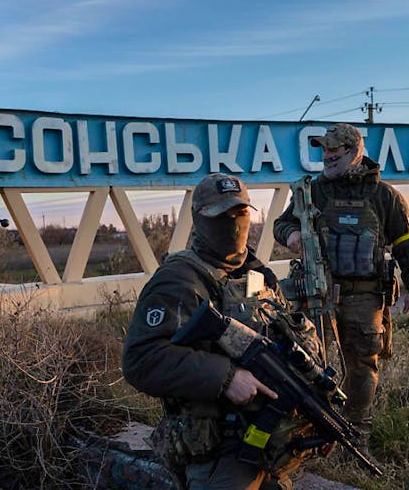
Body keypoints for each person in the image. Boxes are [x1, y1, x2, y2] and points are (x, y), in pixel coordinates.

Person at [123, 173, 313, 490]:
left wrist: (308, 423)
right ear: (199, 218)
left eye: (240, 212)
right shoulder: (180, 278)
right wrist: (225, 377)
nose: (233, 223)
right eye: (221, 215)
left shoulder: (254, 273)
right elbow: (141, 359)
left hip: (266, 448)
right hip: (218, 457)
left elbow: (274, 335)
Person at [273, 122, 409, 466]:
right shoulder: (311, 192)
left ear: (355, 151)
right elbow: (280, 224)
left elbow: (406, 244)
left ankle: (355, 440)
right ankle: (309, 438)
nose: (326, 157)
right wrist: (291, 235)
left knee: (362, 368)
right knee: (311, 365)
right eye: (323, 150)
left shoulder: (385, 196)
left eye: (334, 151)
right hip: (316, 294)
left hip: (365, 296)